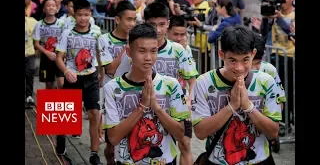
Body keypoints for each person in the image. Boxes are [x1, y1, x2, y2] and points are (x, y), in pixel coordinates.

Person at [192, 25, 281, 165]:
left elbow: (273, 133)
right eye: (232, 60)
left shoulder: (266, 81)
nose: (239, 68)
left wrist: (248, 106)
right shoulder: (204, 82)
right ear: (222, 55)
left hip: (260, 160)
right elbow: (200, 133)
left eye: (245, 59)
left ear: (253, 54)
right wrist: (231, 106)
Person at [103, 23, 190, 165]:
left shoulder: (171, 85)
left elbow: (180, 134)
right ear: (129, 52)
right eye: (142, 51)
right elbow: (113, 138)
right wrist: (142, 107)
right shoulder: (112, 88)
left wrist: (157, 109)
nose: (149, 57)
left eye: (153, 51)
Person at [55, 0, 105, 165]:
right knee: (67, 115)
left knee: (94, 114)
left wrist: (101, 74)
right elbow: (59, 58)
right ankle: (61, 138)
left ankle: (94, 153)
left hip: (91, 77)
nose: (83, 18)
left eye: (86, 14)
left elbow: (100, 55)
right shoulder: (67, 33)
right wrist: (66, 71)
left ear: (90, 14)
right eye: (80, 15)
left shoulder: (97, 33)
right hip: (73, 77)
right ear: (74, 15)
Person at [98, 0, 137, 165]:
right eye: (129, 19)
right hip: (111, 95)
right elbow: (111, 69)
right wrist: (128, 46)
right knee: (111, 144)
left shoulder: (138, 39)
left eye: (135, 20)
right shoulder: (104, 40)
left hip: (133, 94)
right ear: (117, 20)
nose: (132, 23)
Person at [166, 15, 194, 165]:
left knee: (185, 144)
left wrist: (190, 100)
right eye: (175, 34)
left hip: (182, 102)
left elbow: (192, 78)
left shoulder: (186, 49)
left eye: (182, 34)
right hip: (161, 104)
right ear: (167, 31)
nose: (179, 38)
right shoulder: (156, 49)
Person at [32, 0, 65, 89]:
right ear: (44, 9)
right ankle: (51, 101)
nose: (51, 7)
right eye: (48, 5)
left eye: (53, 5)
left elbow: (65, 42)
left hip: (60, 58)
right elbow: (36, 44)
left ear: (56, 8)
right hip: (46, 58)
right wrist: (47, 52)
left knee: (62, 84)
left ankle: (61, 102)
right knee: (48, 85)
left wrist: (64, 55)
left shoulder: (62, 24)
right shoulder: (39, 24)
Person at [25, 6, 38, 107]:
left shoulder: (31, 21)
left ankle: (29, 96)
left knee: (30, 73)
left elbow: (42, 26)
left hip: (29, 53)